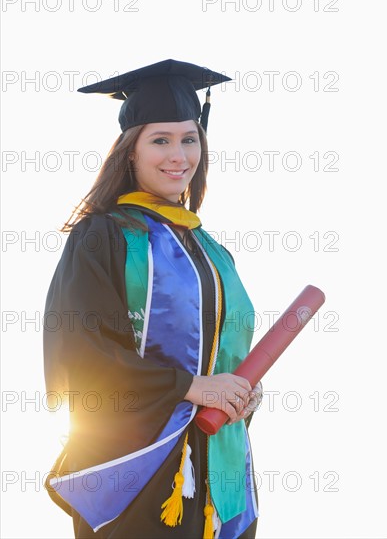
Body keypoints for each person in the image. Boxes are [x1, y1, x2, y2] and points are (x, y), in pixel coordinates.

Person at [44, 59, 262, 539]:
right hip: (139, 471)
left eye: (189, 139)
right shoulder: (104, 236)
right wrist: (191, 386)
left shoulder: (215, 252)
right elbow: (80, 353)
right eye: (160, 140)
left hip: (221, 476)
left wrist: (241, 393)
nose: (178, 155)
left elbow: (225, 354)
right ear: (130, 152)